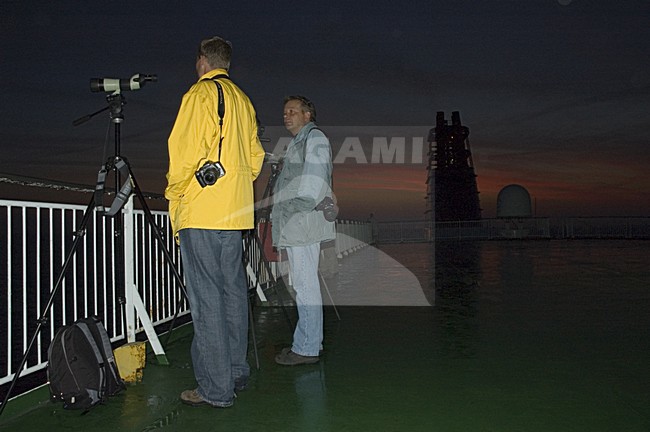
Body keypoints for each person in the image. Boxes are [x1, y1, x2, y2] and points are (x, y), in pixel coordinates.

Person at [165, 36, 265, 407]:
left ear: (203, 61)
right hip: (234, 211)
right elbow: (255, 159)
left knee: (207, 299)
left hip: (203, 208)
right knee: (233, 294)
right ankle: (236, 373)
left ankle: (215, 389)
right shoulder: (242, 100)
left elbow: (183, 154)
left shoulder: (199, 95)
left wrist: (176, 195)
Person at [271, 95, 336, 366]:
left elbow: (313, 183)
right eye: (285, 111)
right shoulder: (299, 142)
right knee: (301, 283)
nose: (287, 116)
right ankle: (306, 343)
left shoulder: (315, 139)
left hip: (302, 221)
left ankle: (307, 348)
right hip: (297, 222)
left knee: (306, 285)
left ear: (308, 115)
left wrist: (286, 210)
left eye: (293, 111)